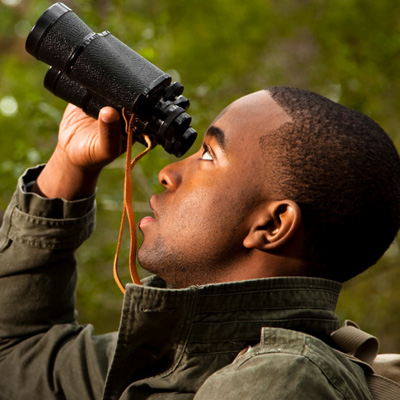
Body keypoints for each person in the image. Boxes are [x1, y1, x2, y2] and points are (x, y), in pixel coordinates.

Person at [0, 87, 399, 399]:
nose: (168, 173)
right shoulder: (181, 357)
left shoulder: (279, 380)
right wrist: (69, 165)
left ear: (272, 224)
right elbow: (16, 357)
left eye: (208, 155)